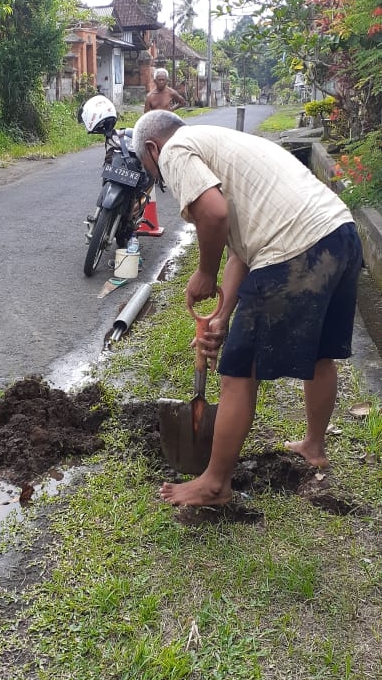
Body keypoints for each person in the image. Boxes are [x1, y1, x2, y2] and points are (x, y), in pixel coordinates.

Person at [132, 109, 363, 507]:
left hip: (294, 248)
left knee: (239, 371)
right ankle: (313, 445)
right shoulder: (222, 145)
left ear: (153, 148)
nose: (159, 178)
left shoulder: (175, 151)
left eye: (150, 169)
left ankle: (215, 484)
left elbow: (215, 215)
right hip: (340, 235)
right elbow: (244, 248)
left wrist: (205, 273)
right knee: (322, 354)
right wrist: (221, 317)